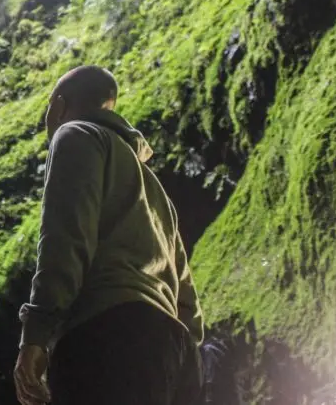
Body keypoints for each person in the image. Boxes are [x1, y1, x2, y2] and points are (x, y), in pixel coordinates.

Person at [13, 65, 205, 405]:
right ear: (110, 105)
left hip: (106, 335)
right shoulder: (153, 187)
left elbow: (66, 240)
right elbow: (186, 296)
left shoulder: (74, 135)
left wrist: (36, 335)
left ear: (57, 106)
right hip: (172, 349)